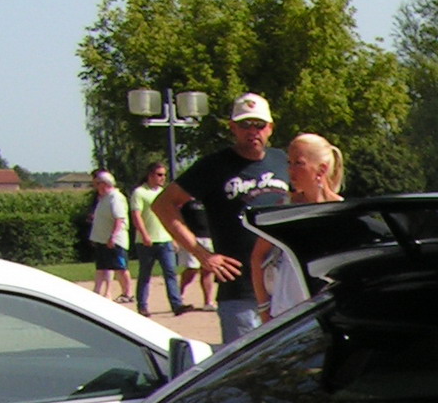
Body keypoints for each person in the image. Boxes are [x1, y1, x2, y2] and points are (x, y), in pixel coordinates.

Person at [153, 92, 290, 344]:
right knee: (246, 361)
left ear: (270, 128)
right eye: (245, 125)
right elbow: (163, 204)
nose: (253, 131)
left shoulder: (283, 161)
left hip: (284, 288)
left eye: (259, 125)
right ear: (232, 127)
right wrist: (202, 254)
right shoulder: (214, 166)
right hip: (239, 289)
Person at [251, 134, 343, 324]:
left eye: (298, 163)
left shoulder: (342, 213)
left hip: (326, 314)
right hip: (284, 314)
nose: (290, 170)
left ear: (321, 169)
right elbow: (258, 256)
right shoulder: (284, 208)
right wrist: (264, 308)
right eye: (289, 163)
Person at [129, 161, 185, 317]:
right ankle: (142, 305)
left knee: (170, 272)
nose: (162, 178)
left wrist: (174, 237)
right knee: (145, 274)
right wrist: (144, 234)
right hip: (146, 241)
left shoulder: (163, 193)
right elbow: (136, 216)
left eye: (164, 175)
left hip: (165, 239)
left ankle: (177, 304)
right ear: (150, 175)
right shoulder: (139, 192)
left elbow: (170, 216)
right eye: (159, 175)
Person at [88, 170, 132, 304]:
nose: (96, 186)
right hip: (102, 239)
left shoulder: (115, 197)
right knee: (102, 267)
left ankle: (127, 293)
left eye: (98, 183)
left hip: (114, 240)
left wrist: (113, 236)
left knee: (120, 268)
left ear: (105, 184)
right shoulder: (103, 198)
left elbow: (119, 218)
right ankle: (97, 291)